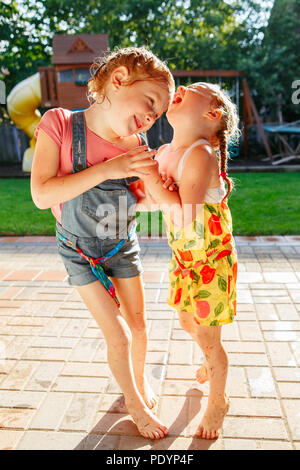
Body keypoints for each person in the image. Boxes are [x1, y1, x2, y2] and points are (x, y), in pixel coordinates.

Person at [30, 46, 175, 440]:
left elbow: (159, 203)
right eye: (150, 102)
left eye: (158, 114)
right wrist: (112, 168)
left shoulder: (137, 147)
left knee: (140, 326)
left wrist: (166, 185)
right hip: (77, 251)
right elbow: (42, 195)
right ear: (119, 79)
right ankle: (134, 404)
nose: (151, 117)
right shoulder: (59, 124)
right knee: (120, 334)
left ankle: (138, 384)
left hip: (121, 245)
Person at [137, 82, 239, 440]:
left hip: (211, 262)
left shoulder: (200, 155)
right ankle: (212, 364)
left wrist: (152, 178)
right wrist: (145, 190)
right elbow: (155, 202)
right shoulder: (166, 151)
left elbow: (183, 216)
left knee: (210, 340)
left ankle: (218, 398)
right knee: (185, 322)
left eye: (193, 89)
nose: (180, 87)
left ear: (212, 115)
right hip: (184, 259)